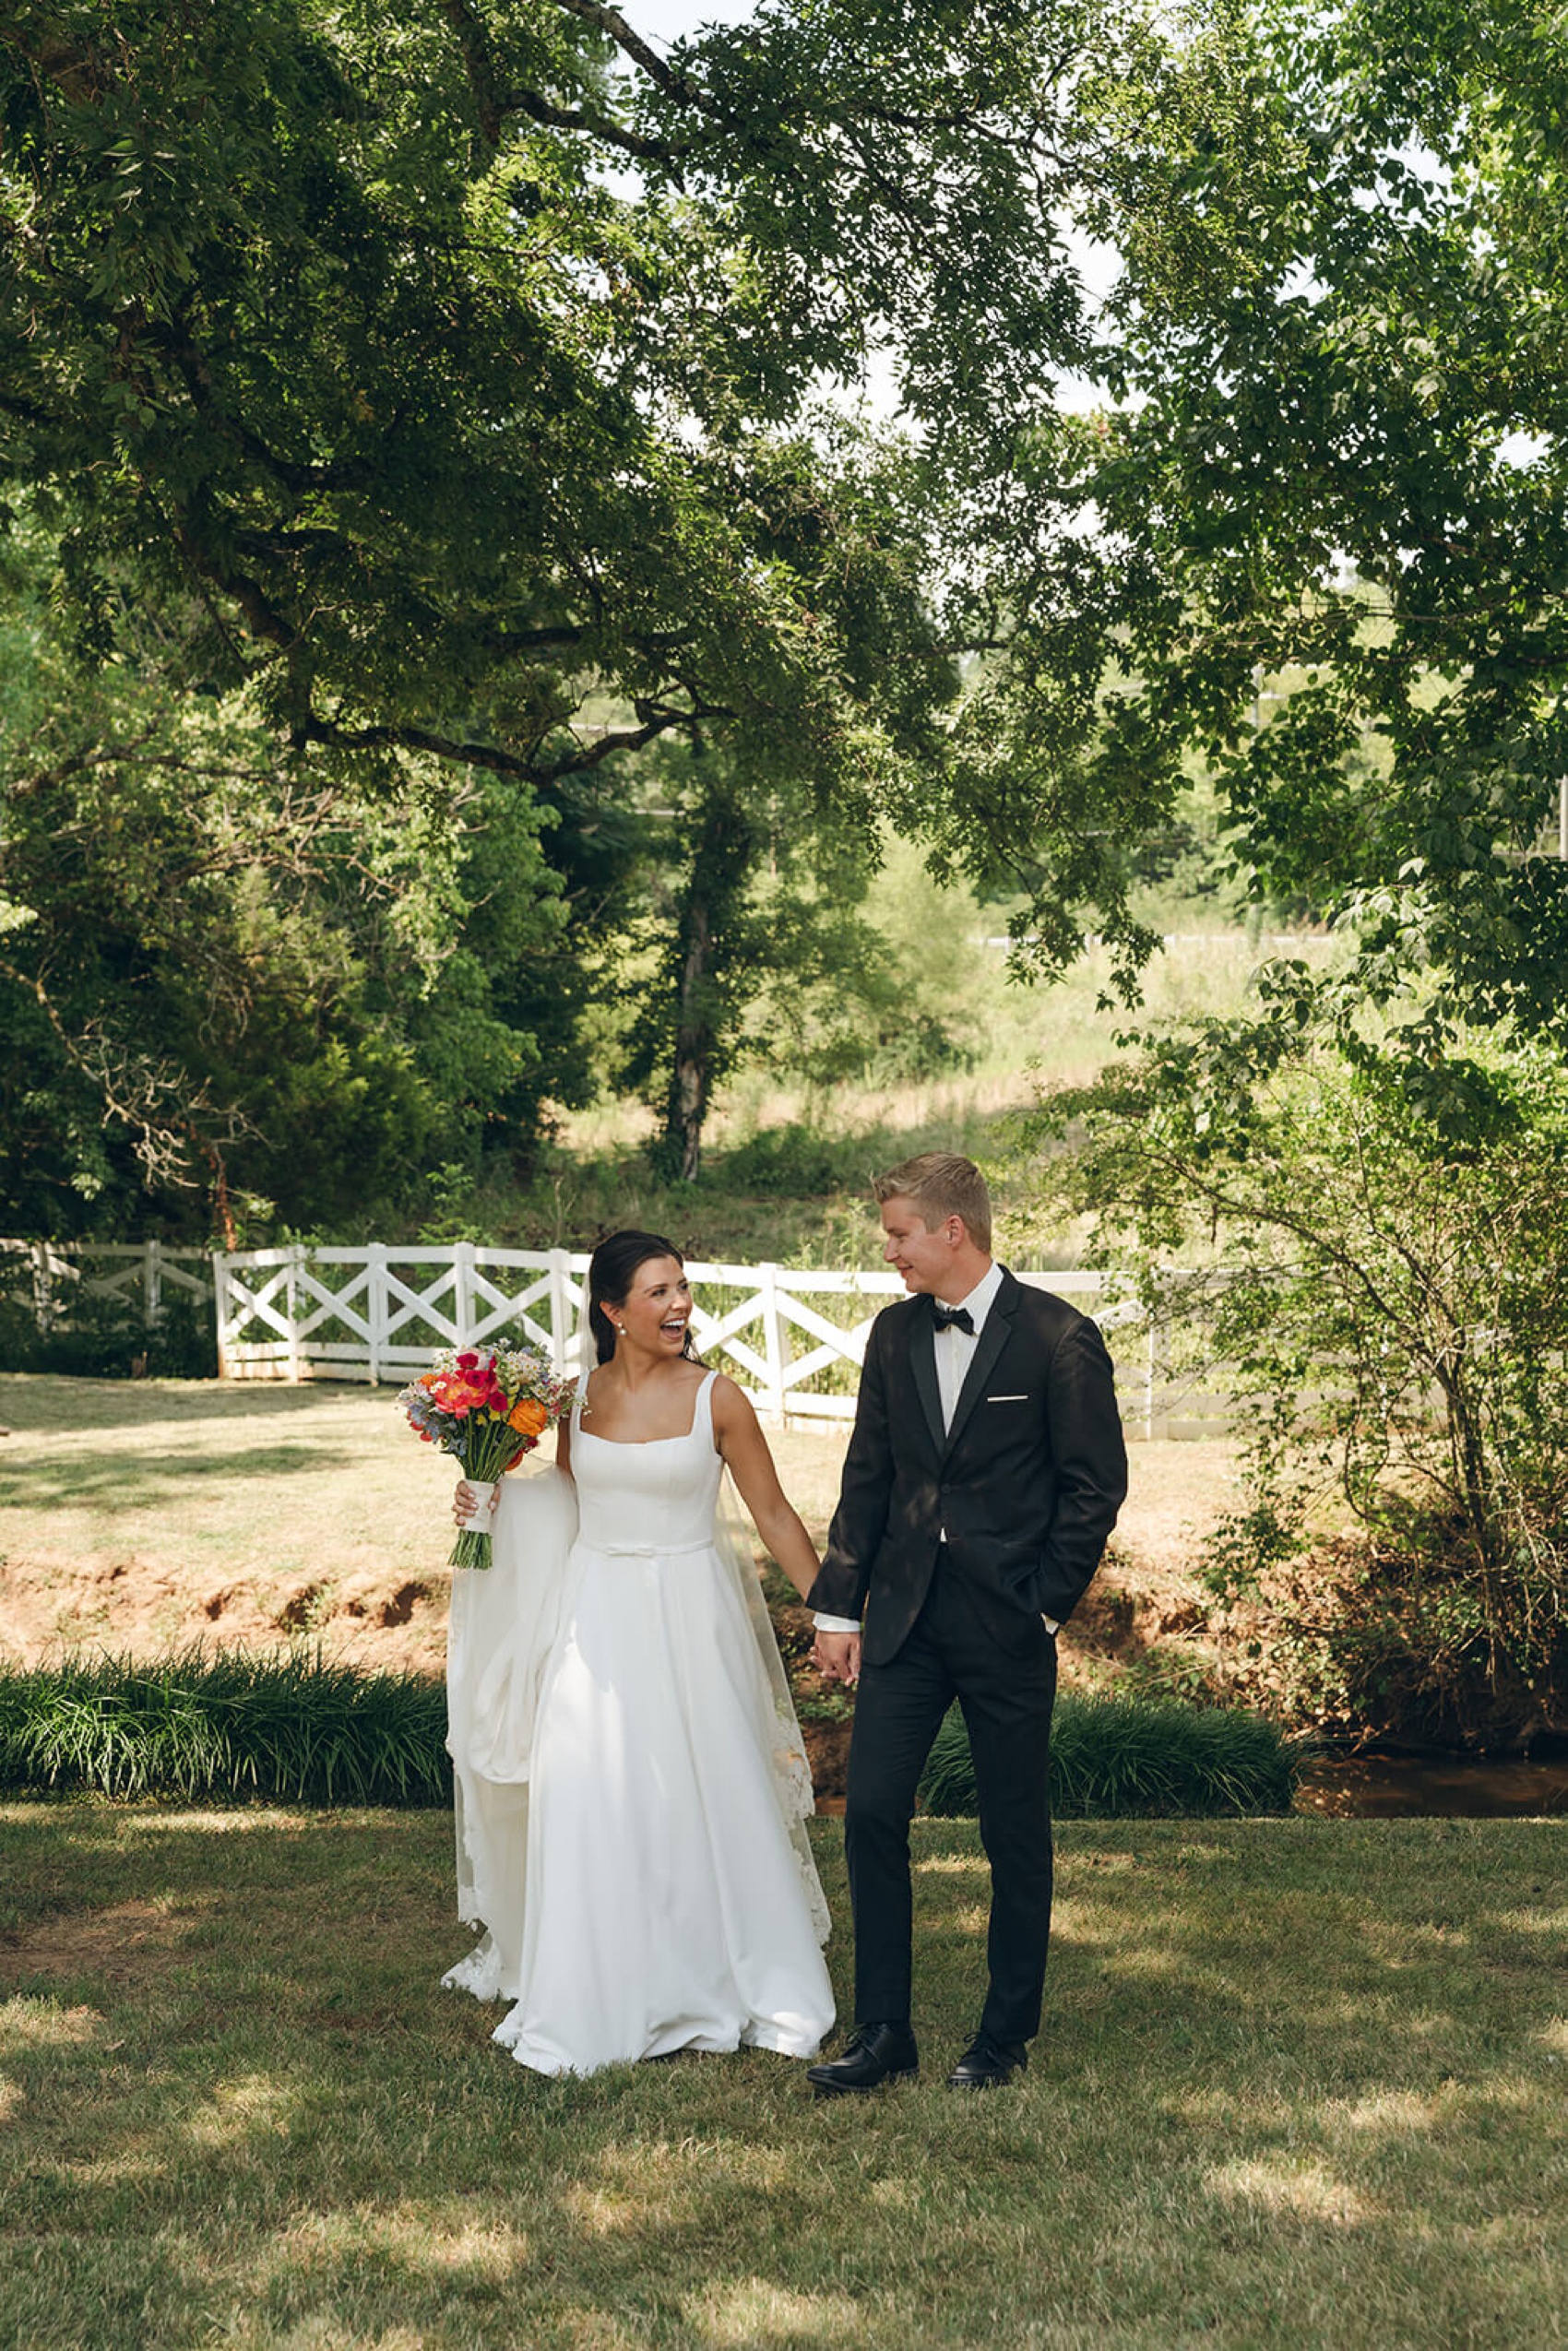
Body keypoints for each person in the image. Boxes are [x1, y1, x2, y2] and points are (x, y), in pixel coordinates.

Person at [445, 1229, 834, 2077]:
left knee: (707, 1786)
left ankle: (734, 1975)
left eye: (683, 1288)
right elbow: (569, 1502)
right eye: (658, 1292)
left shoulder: (718, 1398)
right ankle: (603, 1982)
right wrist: (490, 1501)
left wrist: (833, 1612)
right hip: (598, 1615)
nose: (680, 1305)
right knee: (593, 1787)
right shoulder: (577, 1401)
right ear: (613, 1310)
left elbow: (772, 1513)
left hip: (691, 1615)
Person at [805, 1153, 1127, 2095]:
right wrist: (837, 1602)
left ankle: (1000, 2036)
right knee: (867, 1810)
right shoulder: (891, 1335)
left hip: (1004, 1622)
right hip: (904, 1618)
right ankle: (883, 2030)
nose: (890, 1253)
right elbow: (867, 1475)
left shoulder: (1060, 1339)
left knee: (1012, 1828)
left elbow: (1092, 1486)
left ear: (953, 1229)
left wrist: (1040, 1599)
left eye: (900, 1234)